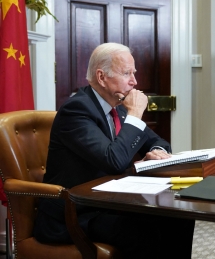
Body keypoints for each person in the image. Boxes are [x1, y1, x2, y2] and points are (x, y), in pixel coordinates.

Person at [33, 43, 195, 258]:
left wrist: (156, 151)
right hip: (74, 212)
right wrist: (136, 113)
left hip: (110, 203)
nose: (134, 82)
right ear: (101, 77)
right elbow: (113, 161)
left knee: (179, 217)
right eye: (126, 73)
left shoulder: (118, 107)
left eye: (134, 73)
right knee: (142, 232)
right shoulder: (76, 110)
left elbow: (160, 143)